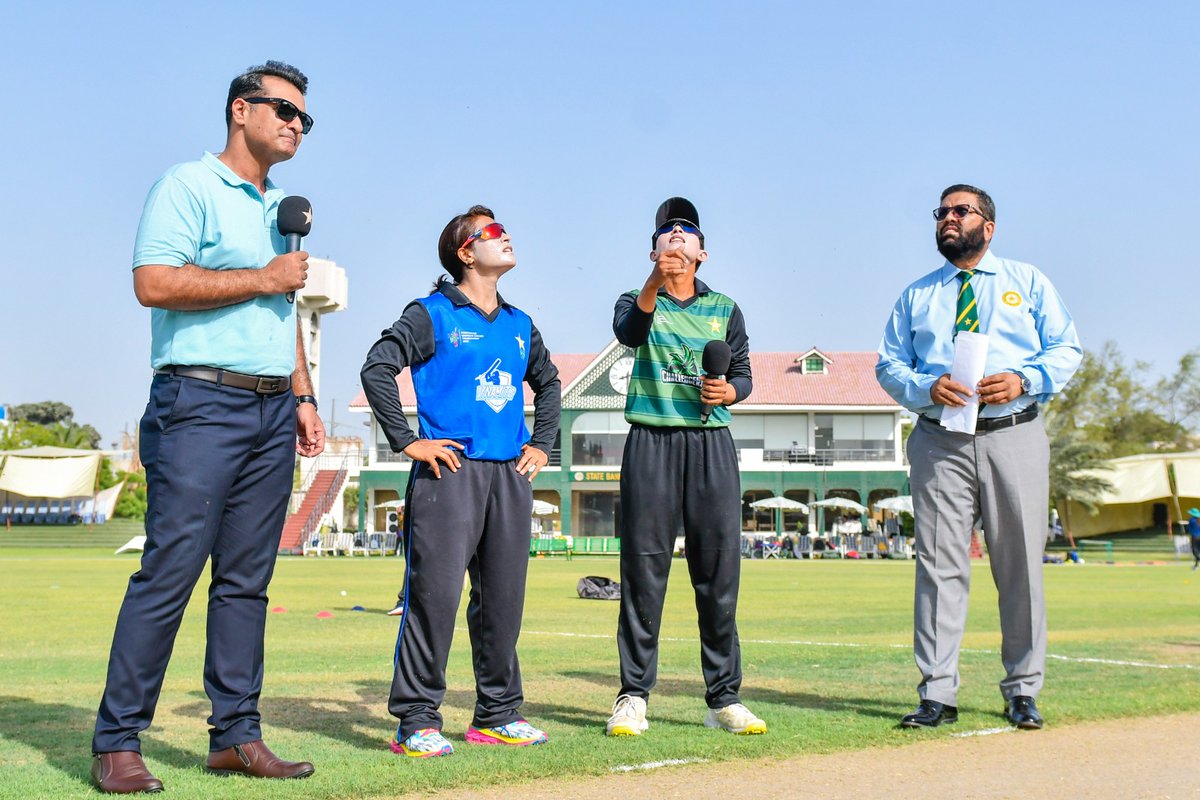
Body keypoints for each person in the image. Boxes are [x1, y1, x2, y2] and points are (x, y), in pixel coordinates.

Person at [91, 61, 325, 793]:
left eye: (304, 119)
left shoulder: (282, 204)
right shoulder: (186, 186)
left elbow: (281, 313)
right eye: (284, 111)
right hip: (197, 403)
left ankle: (235, 736)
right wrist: (263, 277)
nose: (295, 125)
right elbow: (152, 283)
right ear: (239, 110)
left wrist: (304, 393)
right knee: (170, 573)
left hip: (268, 410)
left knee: (247, 583)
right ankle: (117, 742)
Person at [876, 184, 1081, 731]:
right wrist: (925, 388)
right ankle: (937, 693)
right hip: (940, 439)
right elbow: (888, 366)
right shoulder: (917, 296)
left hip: (1014, 433)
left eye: (960, 211)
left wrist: (1024, 378)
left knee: (1019, 568)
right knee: (939, 567)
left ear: (987, 226)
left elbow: (1067, 349)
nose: (947, 218)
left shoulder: (1028, 282)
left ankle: (1022, 690)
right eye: (941, 212)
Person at [361, 205, 561, 757]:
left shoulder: (521, 325)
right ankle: (416, 719)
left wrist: (542, 443)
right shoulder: (432, 313)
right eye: (492, 232)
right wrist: (406, 441)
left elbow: (548, 382)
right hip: (447, 473)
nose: (506, 235)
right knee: (434, 598)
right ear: (465, 253)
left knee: (503, 601)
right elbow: (378, 366)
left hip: (510, 477)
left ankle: (497, 713)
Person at [605, 197, 766, 737]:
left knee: (718, 574)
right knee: (644, 574)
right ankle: (632, 696)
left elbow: (744, 375)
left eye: (686, 232)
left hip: (710, 444)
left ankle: (723, 697)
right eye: (666, 233)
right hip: (650, 439)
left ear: (703, 253)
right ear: (653, 250)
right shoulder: (636, 298)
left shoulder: (725, 308)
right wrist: (654, 281)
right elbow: (630, 332)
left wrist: (730, 391)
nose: (676, 236)